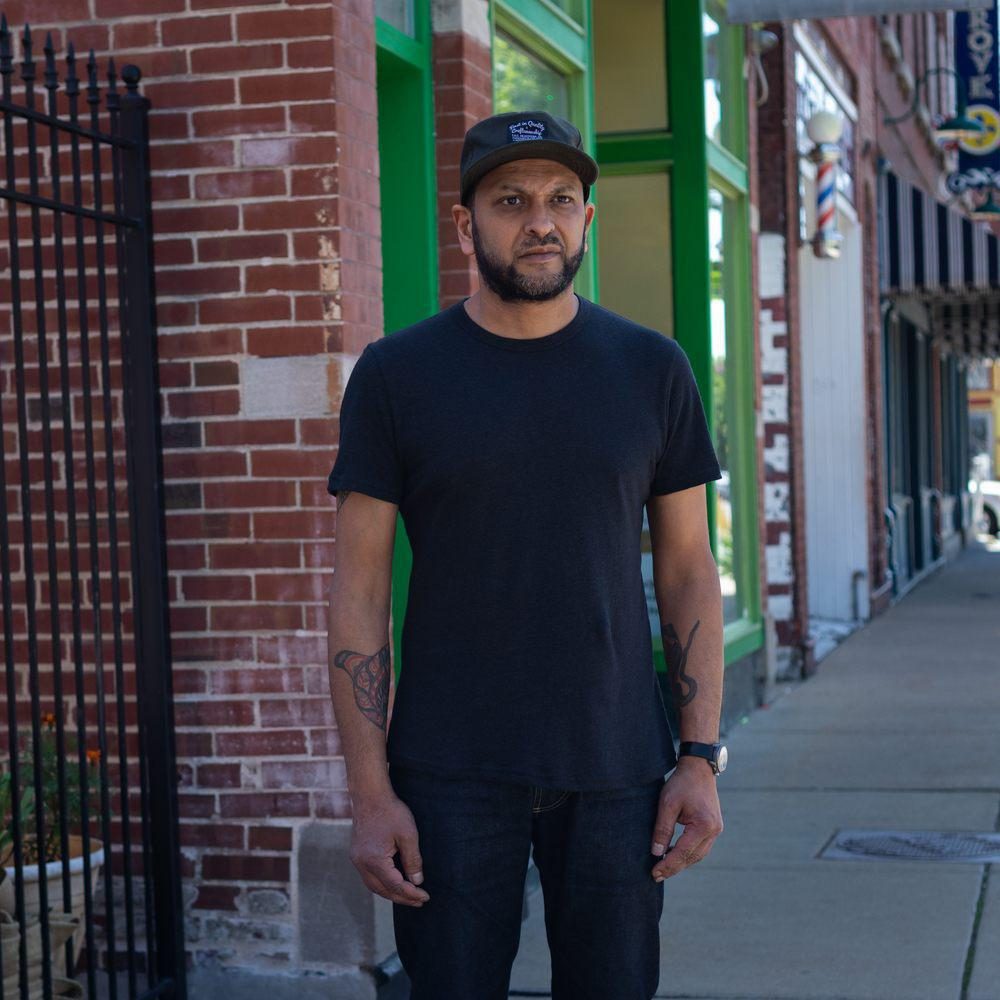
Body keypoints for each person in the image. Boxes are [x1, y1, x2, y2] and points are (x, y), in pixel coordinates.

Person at [326, 110, 727, 1000]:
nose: (539, 219)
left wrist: (698, 757)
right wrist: (369, 790)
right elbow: (358, 591)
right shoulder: (397, 376)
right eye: (510, 200)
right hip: (448, 774)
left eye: (561, 199)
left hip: (618, 766)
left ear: (589, 217)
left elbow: (689, 568)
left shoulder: (652, 369)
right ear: (467, 224)